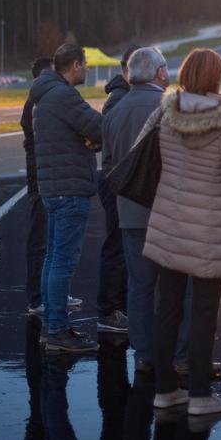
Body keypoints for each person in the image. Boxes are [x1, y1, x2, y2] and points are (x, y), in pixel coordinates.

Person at [143, 48, 221, 416]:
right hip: (209, 225)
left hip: (169, 220)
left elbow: (147, 155)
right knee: (204, 312)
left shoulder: (165, 111)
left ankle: (164, 390)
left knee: (167, 307)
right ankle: (201, 396)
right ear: (216, 78)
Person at [31, 43, 103, 353]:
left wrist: (90, 140)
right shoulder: (64, 96)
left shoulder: (45, 96)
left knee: (53, 260)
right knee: (63, 262)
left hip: (53, 188)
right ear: (75, 65)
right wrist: (94, 140)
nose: (86, 69)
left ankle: (51, 326)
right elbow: (99, 127)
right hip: (70, 189)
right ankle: (58, 330)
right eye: (84, 64)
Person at [101, 47, 169, 369]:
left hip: (129, 211)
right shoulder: (169, 107)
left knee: (139, 286)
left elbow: (108, 166)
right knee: (171, 288)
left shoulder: (114, 111)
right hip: (167, 211)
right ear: (159, 72)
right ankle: (173, 352)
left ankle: (143, 354)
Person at [95, 45, 139, 334]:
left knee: (123, 247)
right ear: (127, 69)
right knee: (116, 246)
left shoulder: (124, 96)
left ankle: (119, 306)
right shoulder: (118, 99)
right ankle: (109, 309)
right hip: (116, 181)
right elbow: (110, 140)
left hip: (121, 180)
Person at [22, 56, 53, 315]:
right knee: (40, 239)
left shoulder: (38, 100)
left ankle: (50, 291)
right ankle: (37, 297)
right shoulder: (35, 103)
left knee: (52, 239)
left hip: (46, 175)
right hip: (41, 177)